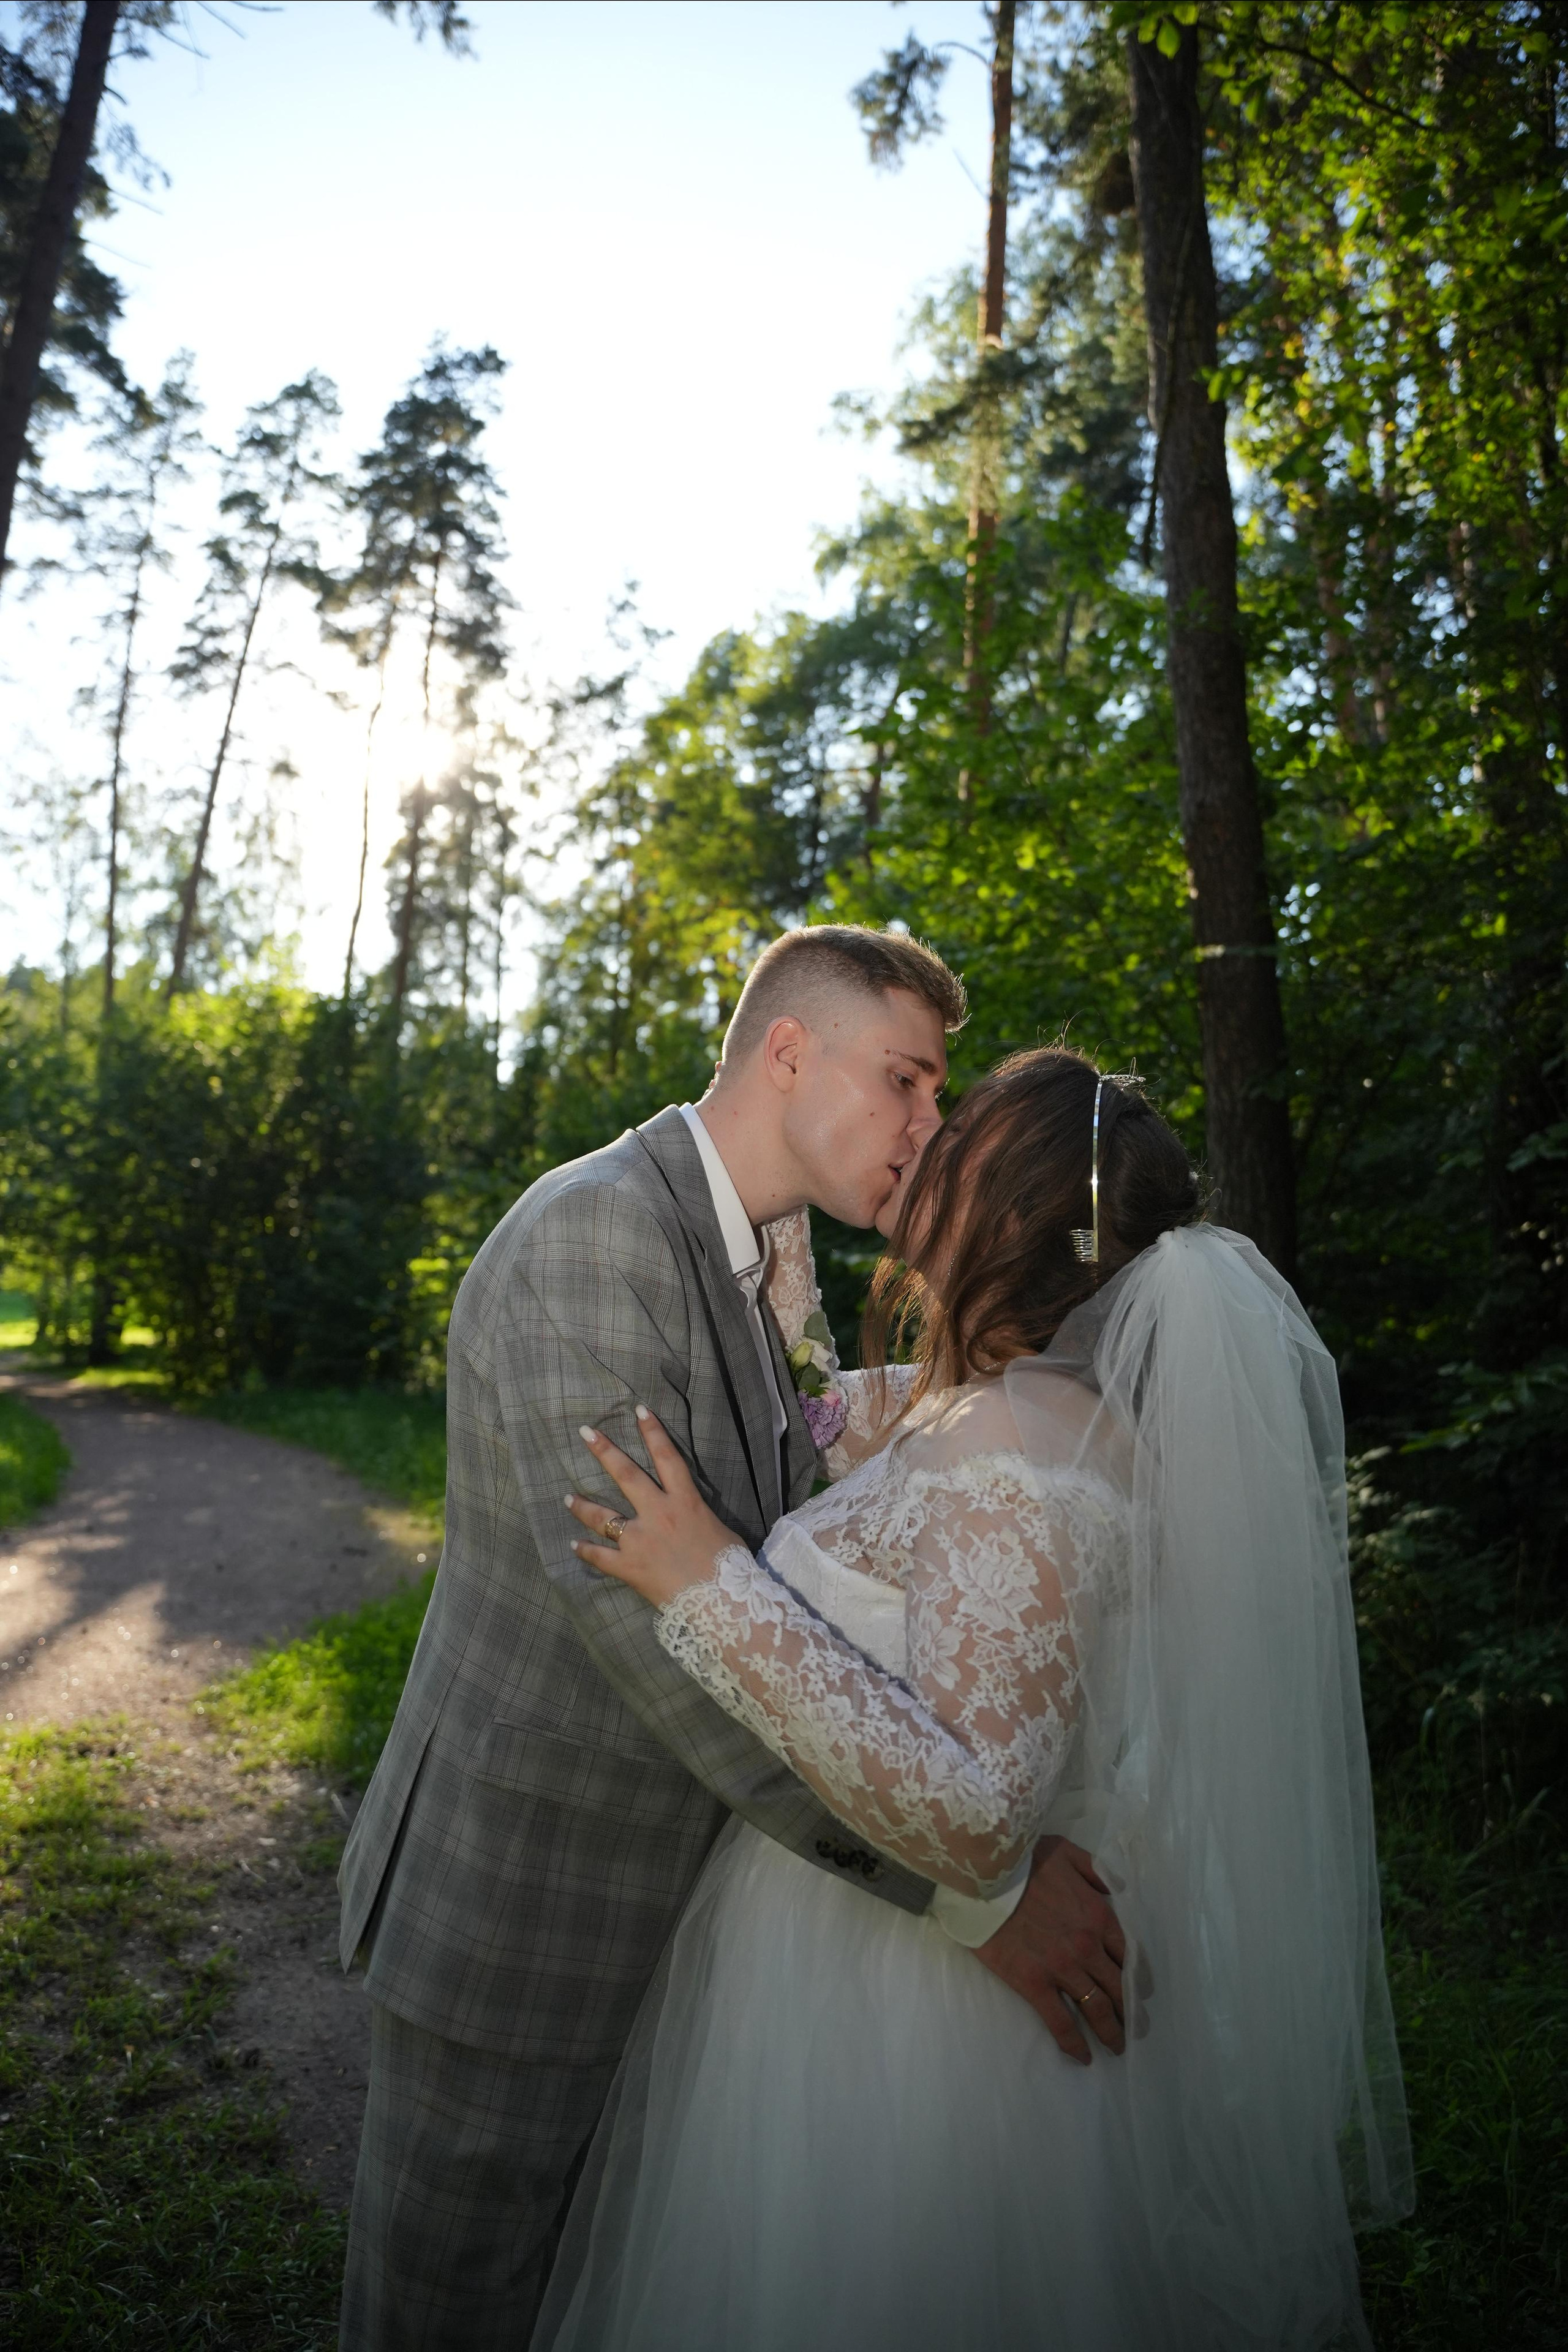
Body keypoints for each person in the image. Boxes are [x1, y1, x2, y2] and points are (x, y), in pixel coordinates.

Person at [541, 1046, 1414, 2352]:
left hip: (909, 2032)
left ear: (999, 1213)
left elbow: (976, 1813)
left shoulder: (1009, 1459)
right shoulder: (1001, 1414)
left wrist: (706, 1584)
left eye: (957, 1140)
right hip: (883, 1966)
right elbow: (856, 1452)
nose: (923, 1145)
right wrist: (785, 1333)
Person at [336, 931, 1130, 2350]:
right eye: (905, 1082)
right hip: (530, 1921)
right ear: (786, 1052)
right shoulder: (598, 1240)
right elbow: (655, 1638)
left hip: (679, 1937)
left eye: (937, 1098)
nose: (925, 1130)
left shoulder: (760, 1256)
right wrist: (973, 1897)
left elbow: (775, 1556)